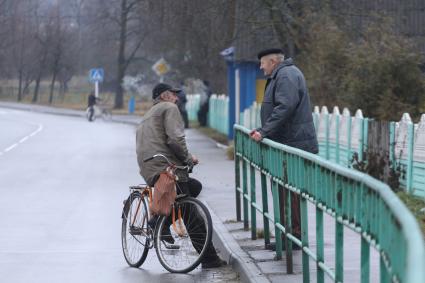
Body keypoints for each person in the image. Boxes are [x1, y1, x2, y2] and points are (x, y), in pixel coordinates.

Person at [136, 83, 226, 268]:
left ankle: (161, 223)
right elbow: (175, 139)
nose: (177, 98)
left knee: (194, 187)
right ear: (163, 96)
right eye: (173, 95)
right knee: (191, 213)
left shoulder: (147, 115)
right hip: (167, 168)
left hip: (149, 168)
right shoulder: (169, 108)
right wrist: (188, 159)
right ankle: (209, 259)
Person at [250, 48, 318, 249]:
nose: (261, 67)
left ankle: (294, 237)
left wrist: (264, 131)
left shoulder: (286, 75)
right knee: (284, 189)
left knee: (289, 190)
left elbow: (285, 107)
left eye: (263, 63)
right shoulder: (284, 74)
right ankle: (288, 234)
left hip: (291, 143)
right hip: (288, 142)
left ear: (272, 61)